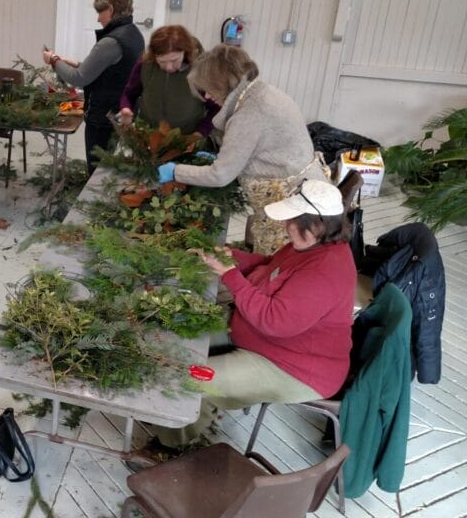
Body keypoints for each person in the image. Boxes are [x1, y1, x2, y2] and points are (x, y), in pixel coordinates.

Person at [151, 180, 356, 448]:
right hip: (263, 342)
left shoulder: (324, 273)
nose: (286, 226)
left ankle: (169, 447)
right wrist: (232, 257)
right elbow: (271, 266)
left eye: (292, 221)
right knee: (182, 339)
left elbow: (274, 320)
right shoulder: (311, 245)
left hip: (290, 367)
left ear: (316, 225)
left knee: (191, 377)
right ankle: (192, 414)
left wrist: (229, 274)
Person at [157, 45, 329, 254]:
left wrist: (176, 171)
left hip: (290, 204)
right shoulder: (261, 91)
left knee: (278, 263)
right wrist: (224, 156)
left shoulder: (250, 112)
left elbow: (220, 176)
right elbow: (259, 147)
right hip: (305, 189)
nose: (209, 96)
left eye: (209, 88)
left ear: (221, 82)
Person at [43, 0, 144, 174]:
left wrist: (54, 60)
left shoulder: (111, 42)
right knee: (107, 163)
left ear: (111, 9)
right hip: (119, 111)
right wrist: (70, 61)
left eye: (100, 12)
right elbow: (108, 68)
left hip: (103, 115)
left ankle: (91, 197)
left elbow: (79, 79)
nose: (98, 18)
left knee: (96, 168)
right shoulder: (134, 34)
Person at [116, 24, 218, 140]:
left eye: (174, 60)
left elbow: (215, 109)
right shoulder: (145, 64)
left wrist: (199, 133)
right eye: (162, 61)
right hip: (147, 137)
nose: (169, 67)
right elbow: (129, 93)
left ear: (185, 52)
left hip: (186, 140)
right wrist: (126, 108)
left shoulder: (200, 71)